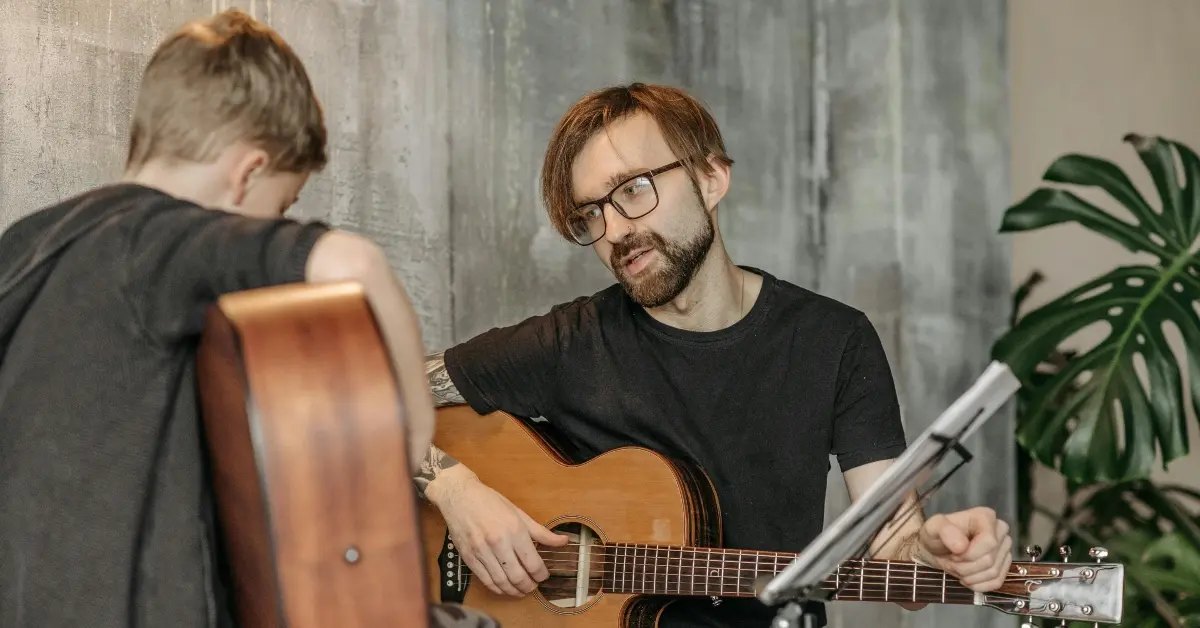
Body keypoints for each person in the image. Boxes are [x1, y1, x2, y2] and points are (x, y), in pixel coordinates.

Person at [413, 83, 1013, 627]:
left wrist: (932, 551)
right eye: (590, 214)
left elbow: (893, 546)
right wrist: (458, 493)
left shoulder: (833, 341)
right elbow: (366, 399)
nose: (615, 230)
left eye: (633, 190)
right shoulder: (571, 341)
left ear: (710, 179)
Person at [0, 10, 497, 628]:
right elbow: (356, 263)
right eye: (282, 206)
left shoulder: (26, 247)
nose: (271, 226)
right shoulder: (157, 242)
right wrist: (410, 433)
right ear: (247, 174)